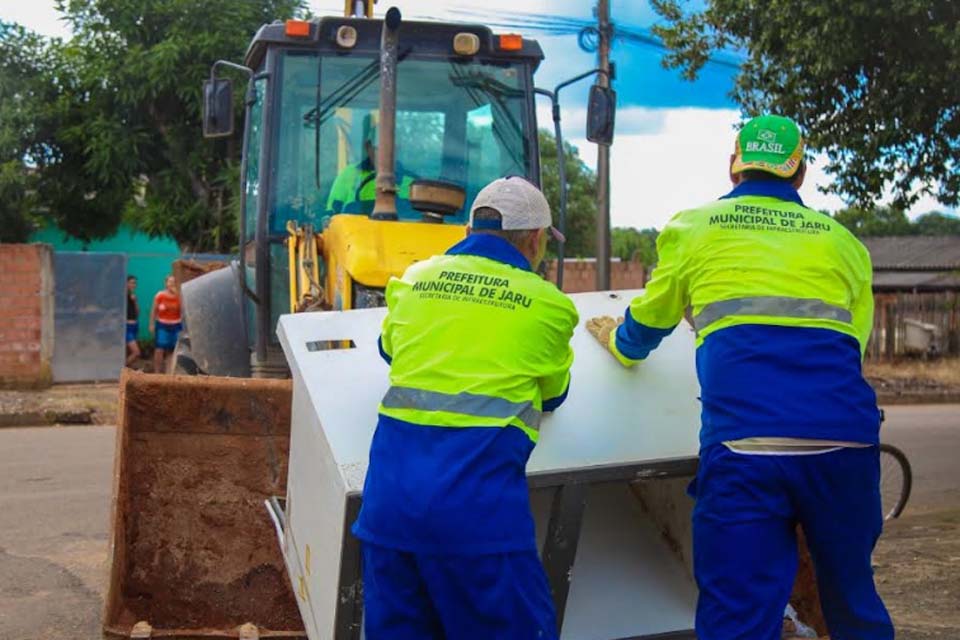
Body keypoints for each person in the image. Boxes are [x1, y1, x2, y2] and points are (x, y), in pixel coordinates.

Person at [587, 115, 893, 640]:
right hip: (844, 446)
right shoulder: (844, 244)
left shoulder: (695, 228)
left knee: (739, 615)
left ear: (734, 166)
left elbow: (651, 322)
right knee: (851, 601)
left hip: (746, 449)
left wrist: (619, 342)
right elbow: (853, 346)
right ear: (800, 174)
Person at [353, 176, 577, 639]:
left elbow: (390, 349)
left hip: (389, 513)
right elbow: (554, 394)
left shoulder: (413, 281)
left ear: (468, 230)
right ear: (535, 240)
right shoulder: (549, 306)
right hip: (479, 524)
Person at [325, 119, 414, 215]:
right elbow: (331, 215)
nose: (388, 152)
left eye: (394, 147)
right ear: (369, 148)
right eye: (380, 147)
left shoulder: (412, 183)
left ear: (399, 149)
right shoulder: (349, 175)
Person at [149, 275, 182, 375]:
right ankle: (157, 372)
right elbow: (153, 311)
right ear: (166, 283)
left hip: (176, 325)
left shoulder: (179, 296)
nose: (172, 284)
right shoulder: (160, 295)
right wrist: (151, 324)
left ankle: (169, 373)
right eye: (170, 282)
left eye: (174, 282)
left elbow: (184, 310)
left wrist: (178, 294)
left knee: (172, 350)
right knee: (159, 349)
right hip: (162, 325)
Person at [125, 275, 141, 366]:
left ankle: (125, 373)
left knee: (128, 352)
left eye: (135, 283)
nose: (133, 284)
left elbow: (138, 313)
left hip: (134, 325)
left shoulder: (133, 296)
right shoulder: (123, 296)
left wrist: (135, 301)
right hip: (126, 327)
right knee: (136, 352)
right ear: (126, 283)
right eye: (131, 282)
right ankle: (121, 372)